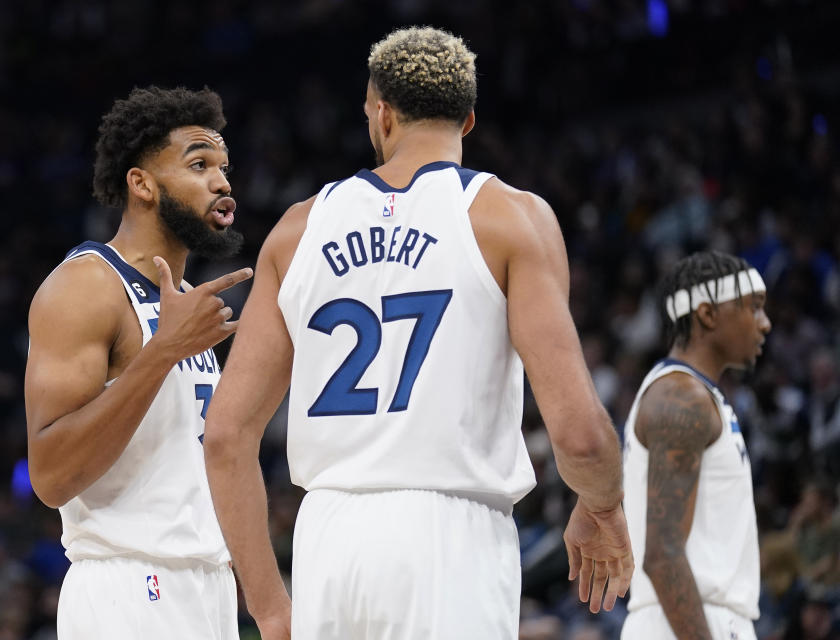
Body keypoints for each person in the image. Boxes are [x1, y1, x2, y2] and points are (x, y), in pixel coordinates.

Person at [204, 27, 632, 640]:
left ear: (380, 115)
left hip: (328, 539)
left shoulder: (297, 230)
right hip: (451, 538)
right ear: (468, 120)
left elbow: (223, 435)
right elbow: (582, 437)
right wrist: (604, 506)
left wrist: (271, 608)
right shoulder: (511, 218)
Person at [23, 86, 251, 640]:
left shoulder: (186, 302)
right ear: (141, 183)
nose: (222, 182)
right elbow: (51, 476)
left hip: (207, 584)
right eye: (199, 164)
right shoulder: (86, 285)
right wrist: (164, 352)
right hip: (128, 588)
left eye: (223, 167)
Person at [620, 250, 772, 639]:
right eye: (753, 308)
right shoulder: (679, 396)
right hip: (684, 622)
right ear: (707, 314)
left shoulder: (694, 394)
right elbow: (664, 553)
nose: (765, 323)